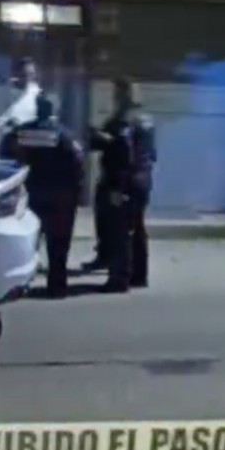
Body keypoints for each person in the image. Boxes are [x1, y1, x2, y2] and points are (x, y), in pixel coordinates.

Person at [0, 94, 85, 299]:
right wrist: (77, 193)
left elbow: (5, 157)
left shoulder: (19, 132)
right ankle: (57, 287)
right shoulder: (64, 135)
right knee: (59, 244)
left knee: (27, 243)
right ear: (55, 110)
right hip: (60, 196)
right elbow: (77, 163)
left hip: (29, 194)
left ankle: (20, 285)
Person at [84, 78, 157, 293]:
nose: (114, 97)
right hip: (142, 180)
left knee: (119, 230)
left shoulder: (124, 121)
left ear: (123, 95)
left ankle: (119, 279)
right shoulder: (147, 120)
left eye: (117, 93)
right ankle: (139, 276)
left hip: (123, 180)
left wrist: (96, 136)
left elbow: (122, 150)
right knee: (137, 228)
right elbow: (150, 153)